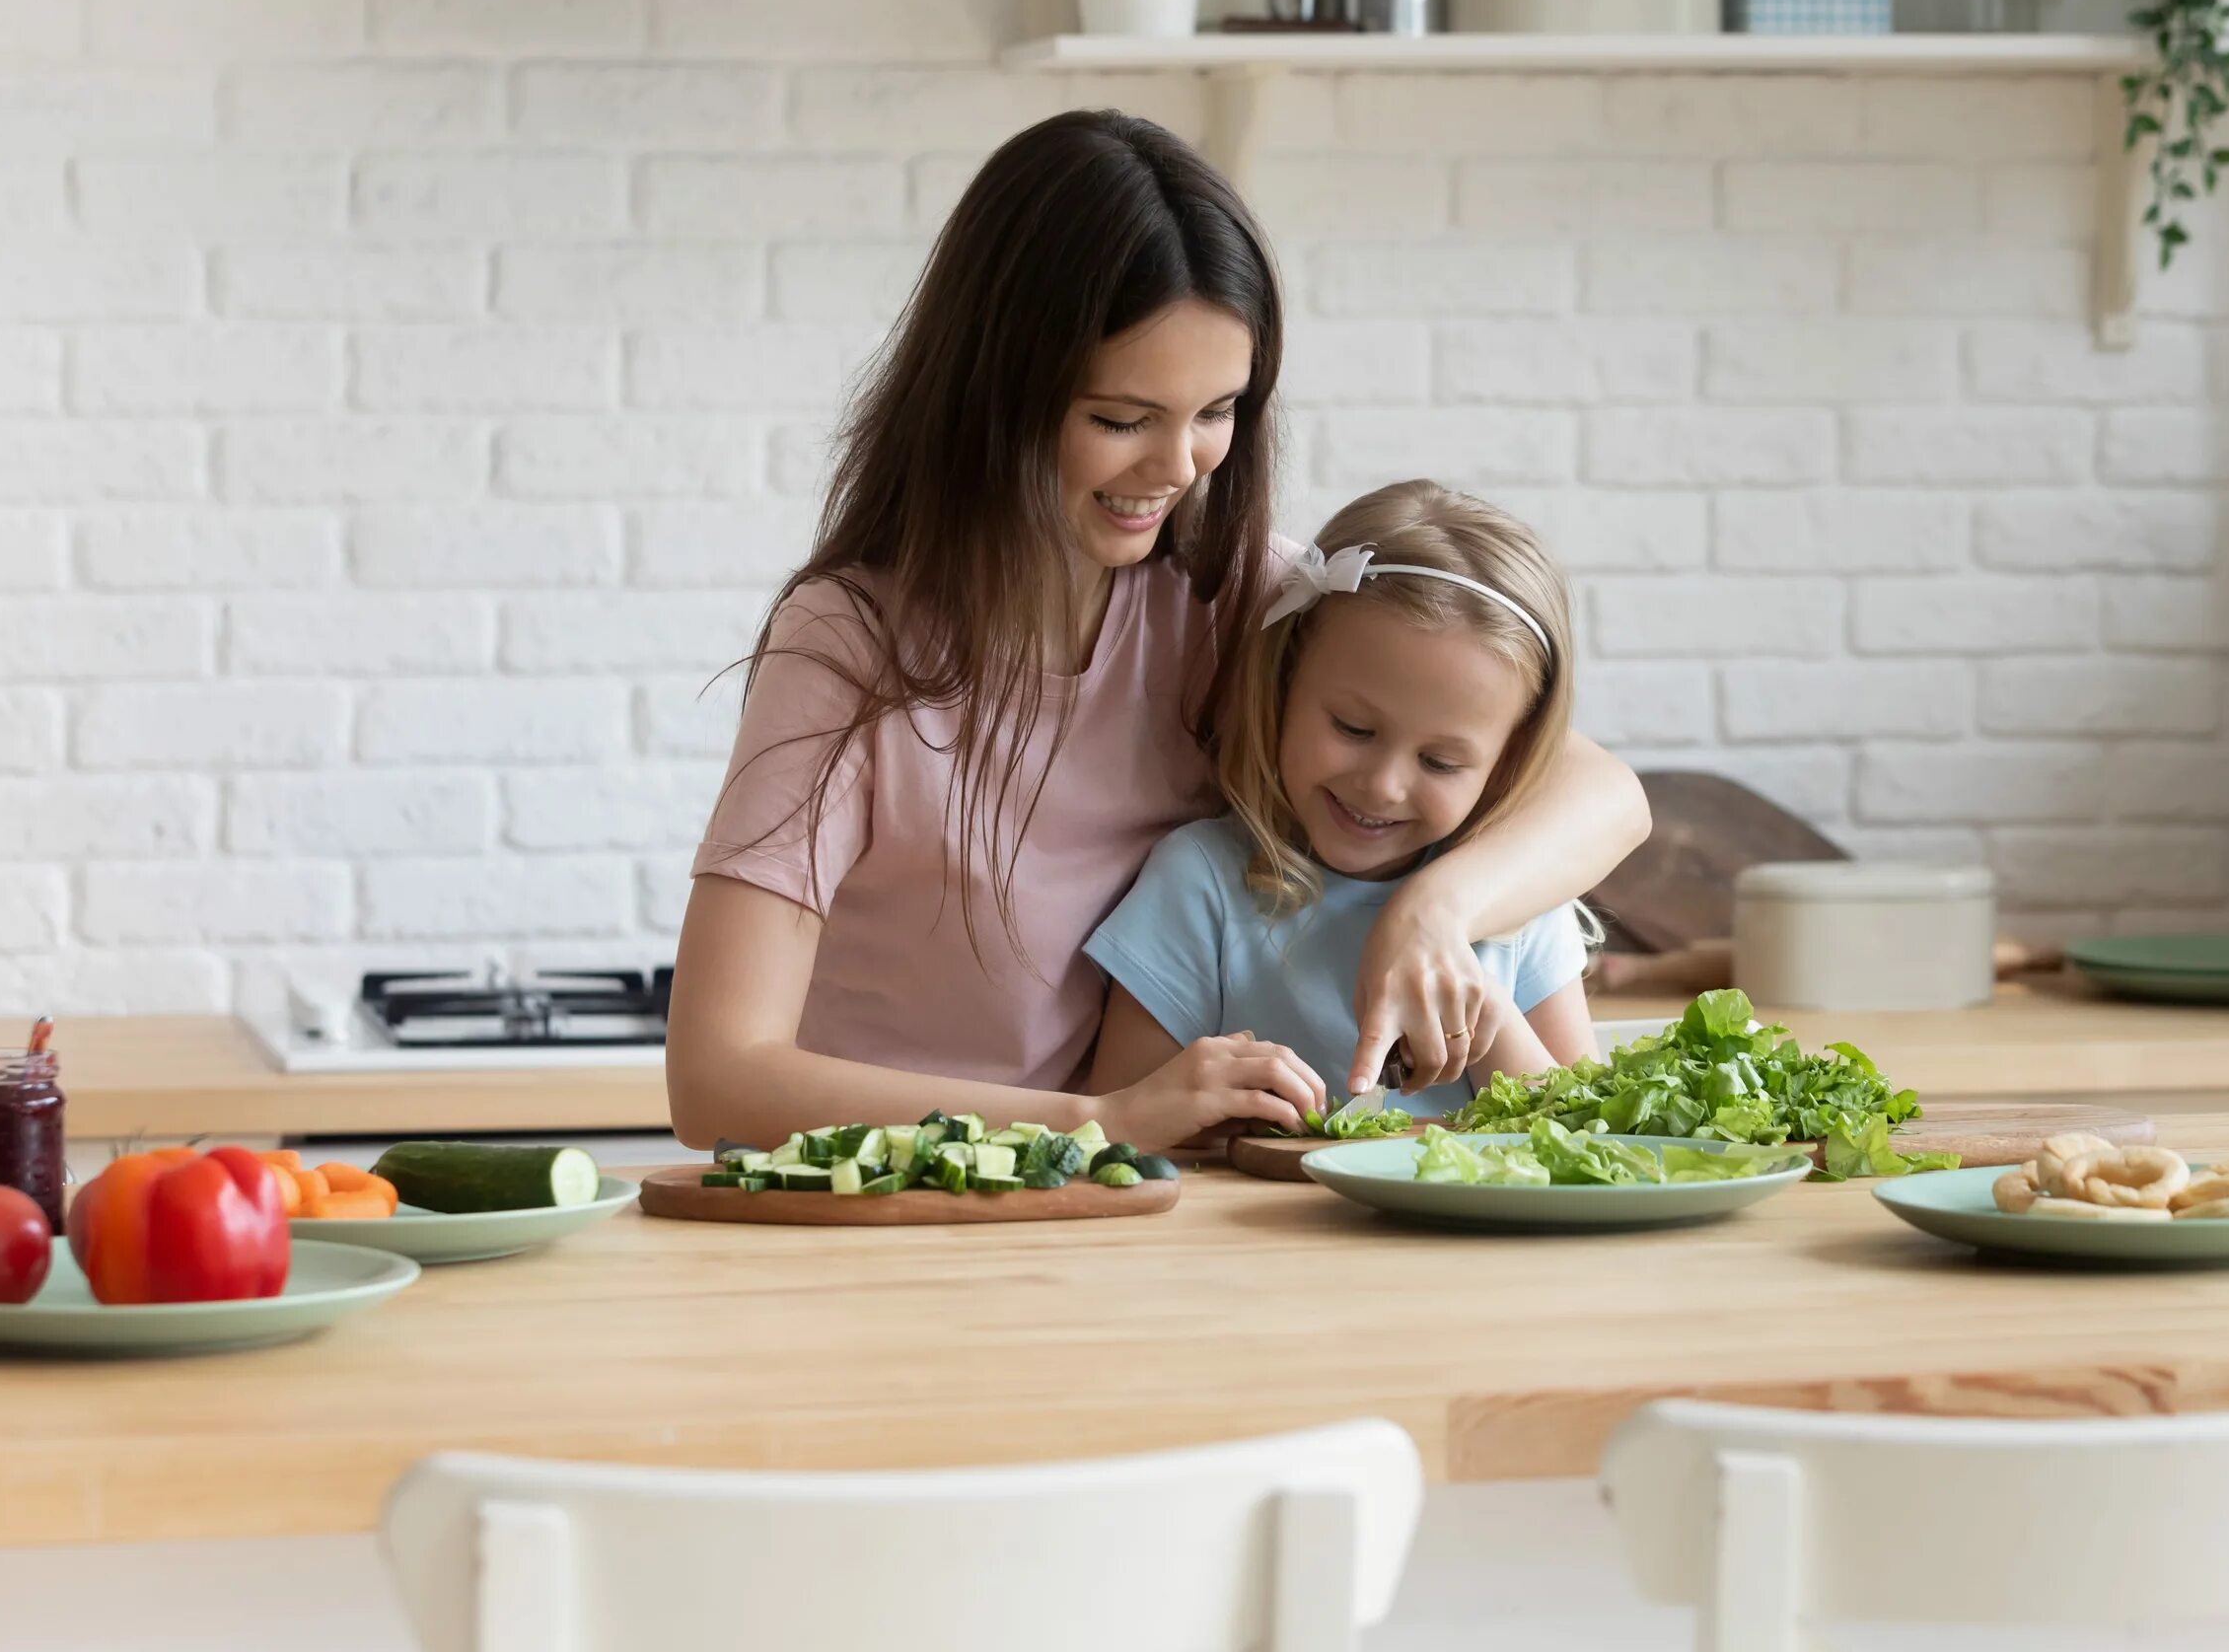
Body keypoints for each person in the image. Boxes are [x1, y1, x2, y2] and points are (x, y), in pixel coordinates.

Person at [667, 110, 1646, 1154]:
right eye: (1122, 419)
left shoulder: (1230, 601)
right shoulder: (849, 647)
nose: (1178, 467)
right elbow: (720, 1078)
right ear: (996, 394)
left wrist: (1437, 909)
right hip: (906, 1207)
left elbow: (1601, 795)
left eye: (1217, 410)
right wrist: (1098, 1120)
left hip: (1122, 1216)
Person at [1083, 483, 1598, 1133]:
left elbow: (1593, 1133)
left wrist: (1490, 1022)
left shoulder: (1517, 897)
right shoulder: (1199, 883)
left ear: (1509, 757)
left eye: (1440, 763)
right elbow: (1124, 1126)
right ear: (1286, 680)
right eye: (1353, 728)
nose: (1383, 786)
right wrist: (1217, 1105)